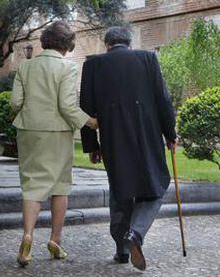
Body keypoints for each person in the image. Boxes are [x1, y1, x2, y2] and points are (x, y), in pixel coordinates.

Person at [80, 26, 177, 271]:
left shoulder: (93, 65)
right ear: (129, 43)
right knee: (156, 186)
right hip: (147, 134)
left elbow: (86, 107)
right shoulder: (148, 59)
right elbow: (163, 100)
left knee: (120, 188)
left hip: (113, 136)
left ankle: (122, 250)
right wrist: (170, 134)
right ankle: (136, 233)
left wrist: (92, 145)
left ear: (107, 44)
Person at [10, 21, 97, 267]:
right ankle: (55, 242)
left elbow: (15, 102)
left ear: (45, 40)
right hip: (57, 132)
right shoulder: (67, 67)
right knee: (60, 186)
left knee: (31, 185)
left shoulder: (25, 66)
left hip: (28, 129)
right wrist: (91, 122)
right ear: (67, 44)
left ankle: (27, 237)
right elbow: (67, 107)